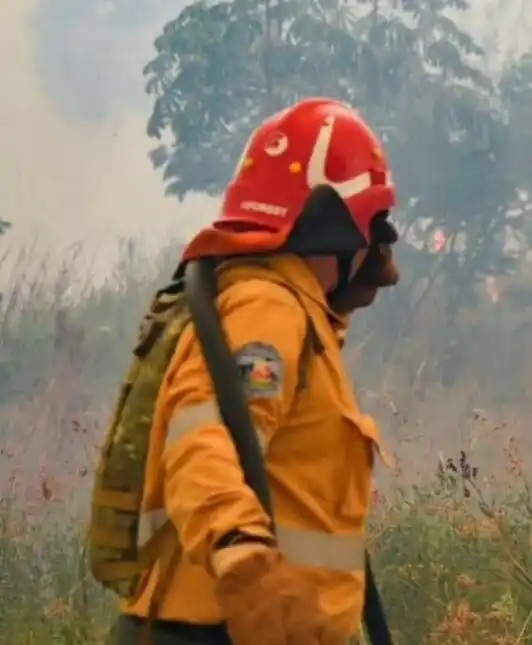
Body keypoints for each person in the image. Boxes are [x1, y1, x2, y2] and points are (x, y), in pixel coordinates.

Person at [98, 97, 401, 645]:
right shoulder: (267, 308)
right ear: (339, 224)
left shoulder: (294, 316)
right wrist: (240, 554)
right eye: (375, 225)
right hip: (211, 631)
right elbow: (205, 436)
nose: (382, 257)